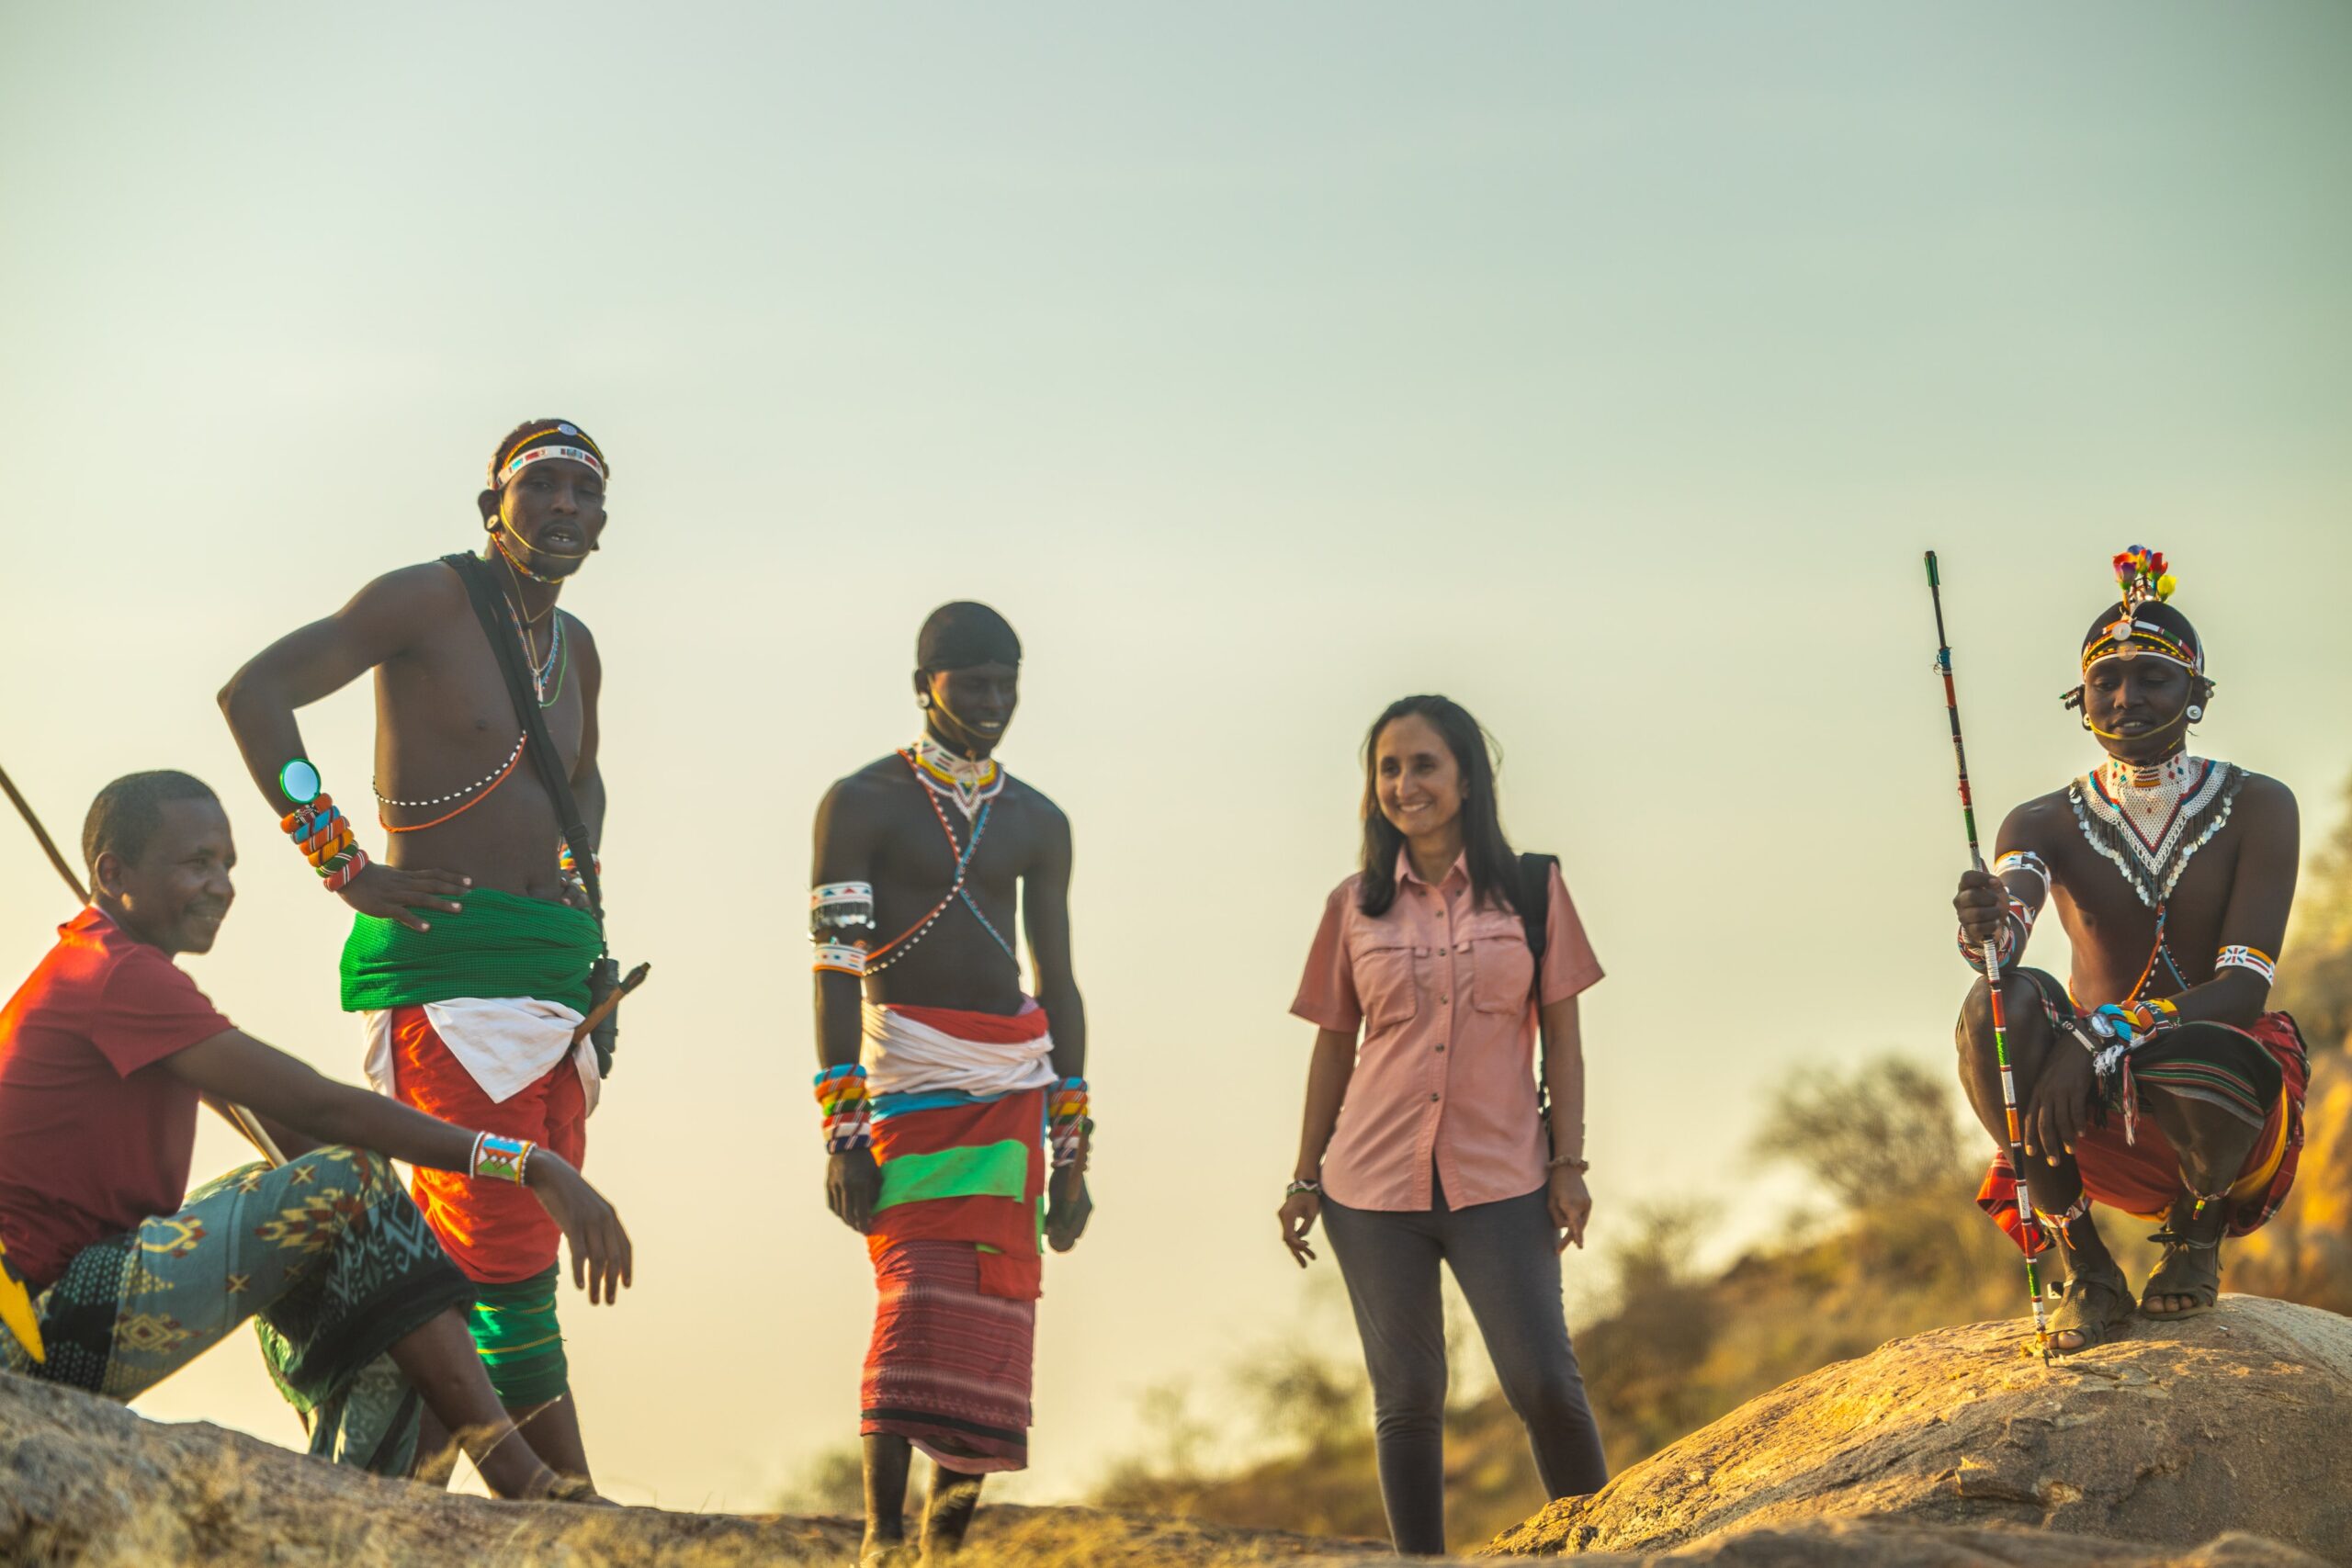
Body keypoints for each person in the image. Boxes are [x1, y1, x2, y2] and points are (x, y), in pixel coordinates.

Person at [0, 771, 632, 1500]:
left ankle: (357, 1500)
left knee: (381, 1239)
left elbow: (288, 1129)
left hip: (73, 1301)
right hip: (34, 1323)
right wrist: (524, 1163)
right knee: (353, 1180)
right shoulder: (114, 977)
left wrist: (411, 1274)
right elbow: (321, 1109)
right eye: (196, 863)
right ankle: (517, 1475)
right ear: (114, 874)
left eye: (228, 864)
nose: (222, 886)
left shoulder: (122, 976)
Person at [217, 418, 619, 1481]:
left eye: (588, 490)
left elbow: (581, 792)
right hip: (452, 980)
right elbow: (253, 695)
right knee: (508, 1251)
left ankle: (410, 1493)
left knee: (487, 1259)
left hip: (551, 977)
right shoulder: (427, 600)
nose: (567, 506)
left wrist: (589, 940)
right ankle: (568, 1505)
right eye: (544, 485)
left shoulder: (576, 650)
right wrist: (339, 859)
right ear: (492, 504)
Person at [1953, 546, 2308, 1354]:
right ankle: (2086, 1266)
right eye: (2106, 683)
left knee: (2210, 1042)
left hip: (2217, 1102)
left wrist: (2105, 1029)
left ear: (2198, 694)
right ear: (2080, 701)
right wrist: (1983, 925)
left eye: (2154, 677)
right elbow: (2007, 938)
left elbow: (2243, 988)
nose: (2127, 697)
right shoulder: (2040, 822)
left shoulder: (2258, 805)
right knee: (1993, 1011)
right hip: (2083, 1108)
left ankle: (2196, 1232)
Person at [1279, 695, 1610, 1557]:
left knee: (1543, 1382)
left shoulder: (1533, 889)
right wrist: (1304, 1174)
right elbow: (1333, 1046)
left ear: (1466, 776)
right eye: (1387, 768)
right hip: (1370, 1184)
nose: (1403, 783)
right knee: (1409, 1396)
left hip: (1503, 1177)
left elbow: (1564, 1040)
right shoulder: (1354, 905)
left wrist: (1569, 1163)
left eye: (1422, 764)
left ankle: (1606, 1549)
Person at [808, 602, 1091, 1564]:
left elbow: (1059, 985)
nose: (994, 702)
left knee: (990, 1314)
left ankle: (944, 1549)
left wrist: (1073, 1150)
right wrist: (843, 1135)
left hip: (1012, 1084)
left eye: (1007, 682)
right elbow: (835, 969)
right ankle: (883, 1539)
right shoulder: (861, 803)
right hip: (907, 1088)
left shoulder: (1038, 821)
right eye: (973, 683)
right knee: (915, 1296)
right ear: (923, 684)